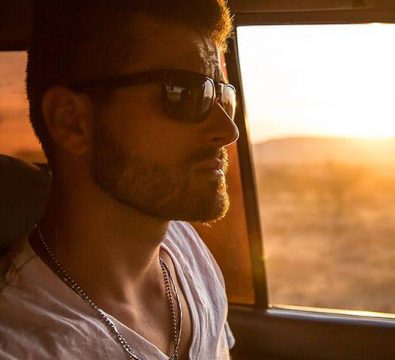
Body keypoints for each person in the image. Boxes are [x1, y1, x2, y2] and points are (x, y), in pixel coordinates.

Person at [0, 0, 238, 359]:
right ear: (71, 121)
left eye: (223, 96)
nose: (228, 130)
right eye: (187, 93)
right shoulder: (22, 343)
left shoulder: (186, 249)